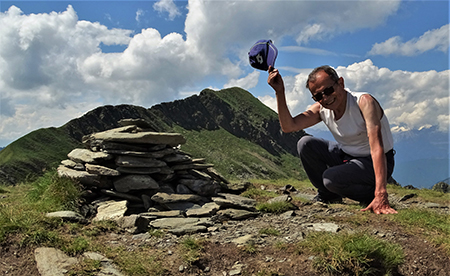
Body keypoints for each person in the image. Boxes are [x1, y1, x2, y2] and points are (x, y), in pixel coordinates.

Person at [267, 65, 397, 214]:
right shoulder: (322, 109)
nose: (326, 98)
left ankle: (370, 196)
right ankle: (328, 195)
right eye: (318, 96)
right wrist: (279, 91)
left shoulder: (364, 102)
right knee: (305, 143)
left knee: (330, 179)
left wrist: (381, 193)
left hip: (374, 162)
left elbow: (376, 147)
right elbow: (289, 126)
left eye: (328, 90)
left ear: (341, 83)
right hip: (347, 154)